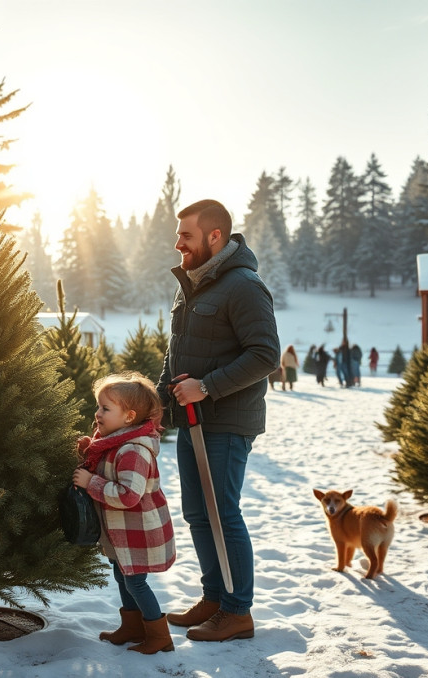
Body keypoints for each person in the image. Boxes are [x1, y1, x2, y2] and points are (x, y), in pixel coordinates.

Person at [156, 199, 278, 642]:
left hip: (226, 420)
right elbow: (176, 354)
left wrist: (207, 387)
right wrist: (158, 401)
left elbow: (265, 354)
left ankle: (237, 611)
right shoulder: (192, 286)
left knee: (222, 512)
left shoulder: (244, 286)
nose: (177, 243)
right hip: (192, 421)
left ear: (215, 237)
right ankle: (214, 597)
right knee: (198, 514)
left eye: (185, 235)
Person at [73, 372, 175, 655]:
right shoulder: (113, 442)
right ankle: (132, 627)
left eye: (105, 409)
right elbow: (106, 469)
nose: (97, 414)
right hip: (122, 532)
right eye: (98, 406)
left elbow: (129, 495)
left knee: (136, 582)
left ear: (129, 417)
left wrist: (90, 482)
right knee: (121, 575)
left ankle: (159, 636)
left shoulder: (133, 450)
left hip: (137, 530)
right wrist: (87, 452)